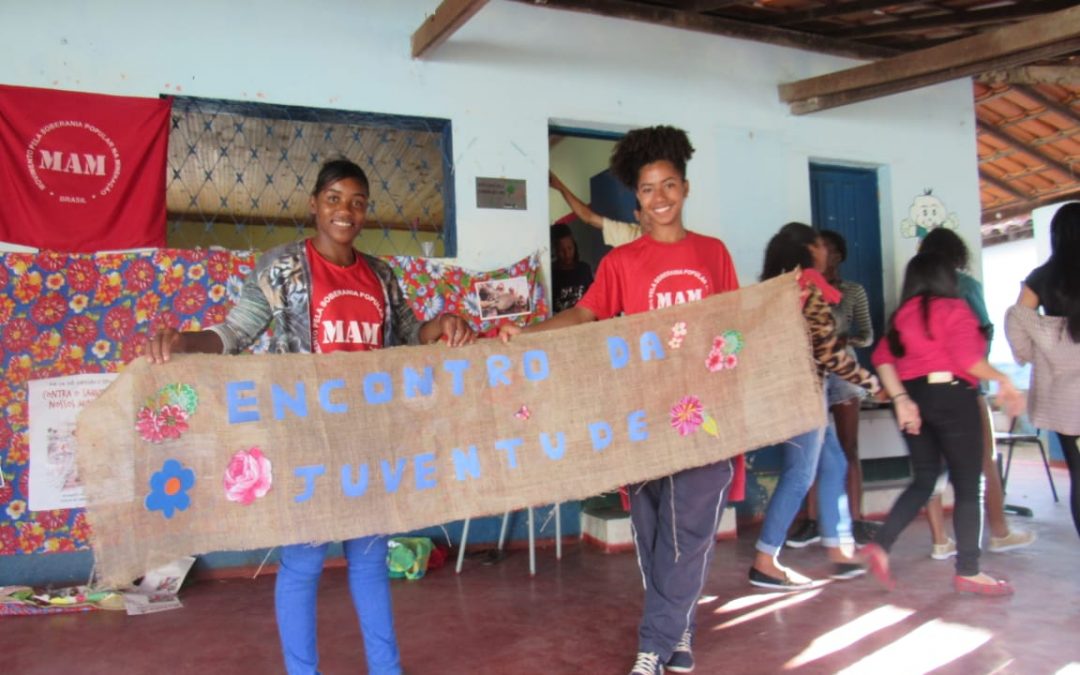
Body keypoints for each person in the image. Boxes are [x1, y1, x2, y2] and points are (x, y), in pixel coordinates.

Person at [144, 158, 476, 675]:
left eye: (358, 202)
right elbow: (233, 334)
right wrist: (183, 341)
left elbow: (412, 335)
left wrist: (445, 324)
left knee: (369, 561)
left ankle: (386, 669)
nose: (347, 211)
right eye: (336, 199)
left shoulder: (381, 276)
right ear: (315, 204)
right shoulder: (282, 269)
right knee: (303, 562)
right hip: (304, 440)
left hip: (369, 437)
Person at [505, 126, 737, 675]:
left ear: (685, 187)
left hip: (703, 416)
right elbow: (586, 315)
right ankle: (678, 633)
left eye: (669, 185)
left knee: (690, 531)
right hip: (642, 414)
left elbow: (733, 327)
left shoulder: (713, 253)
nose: (660, 199)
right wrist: (532, 332)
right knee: (653, 533)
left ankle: (652, 648)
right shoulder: (621, 263)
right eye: (648, 189)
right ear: (636, 197)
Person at [863, 252, 1025, 597]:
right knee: (968, 484)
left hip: (914, 400)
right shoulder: (954, 309)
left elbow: (881, 359)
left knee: (924, 479)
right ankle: (969, 570)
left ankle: (881, 545)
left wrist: (901, 400)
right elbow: (968, 360)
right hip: (953, 395)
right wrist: (1003, 379)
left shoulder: (901, 316)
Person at [751, 223, 881, 591]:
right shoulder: (807, 289)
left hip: (789, 391)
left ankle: (839, 551)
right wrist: (873, 384)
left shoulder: (774, 290)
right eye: (820, 245)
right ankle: (765, 559)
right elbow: (829, 354)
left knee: (834, 462)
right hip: (804, 394)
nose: (827, 251)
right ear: (807, 251)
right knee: (799, 475)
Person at [917, 227, 1034, 558]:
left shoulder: (916, 293)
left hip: (925, 387)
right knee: (985, 459)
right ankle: (998, 531)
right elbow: (983, 333)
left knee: (934, 465)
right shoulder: (966, 286)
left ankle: (940, 540)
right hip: (967, 383)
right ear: (957, 255)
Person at [786, 229, 877, 547]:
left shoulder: (852, 291)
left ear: (838, 255)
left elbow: (867, 334)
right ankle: (813, 521)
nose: (823, 254)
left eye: (829, 249)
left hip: (842, 370)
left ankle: (856, 519)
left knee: (849, 448)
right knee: (814, 448)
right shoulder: (803, 286)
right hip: (810, 373)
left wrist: (843, 340)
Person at [1006, 201, 1080, 538]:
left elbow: (1017, 321)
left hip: (1066, 402)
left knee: (1078, 477)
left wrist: (1037, 353)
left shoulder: (1040, 278)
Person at [549, 170, 646, 246]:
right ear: (637, 215)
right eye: (646, 213)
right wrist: (560, 187)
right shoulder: (631, 234)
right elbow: (589, 217)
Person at [550, 222, 593, 312]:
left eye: (570, 248)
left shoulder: (584, 269)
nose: (567, 254)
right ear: (555, 250)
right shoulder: (551, 274)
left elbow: (593, 298)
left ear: (574, 246)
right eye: (562, 250)